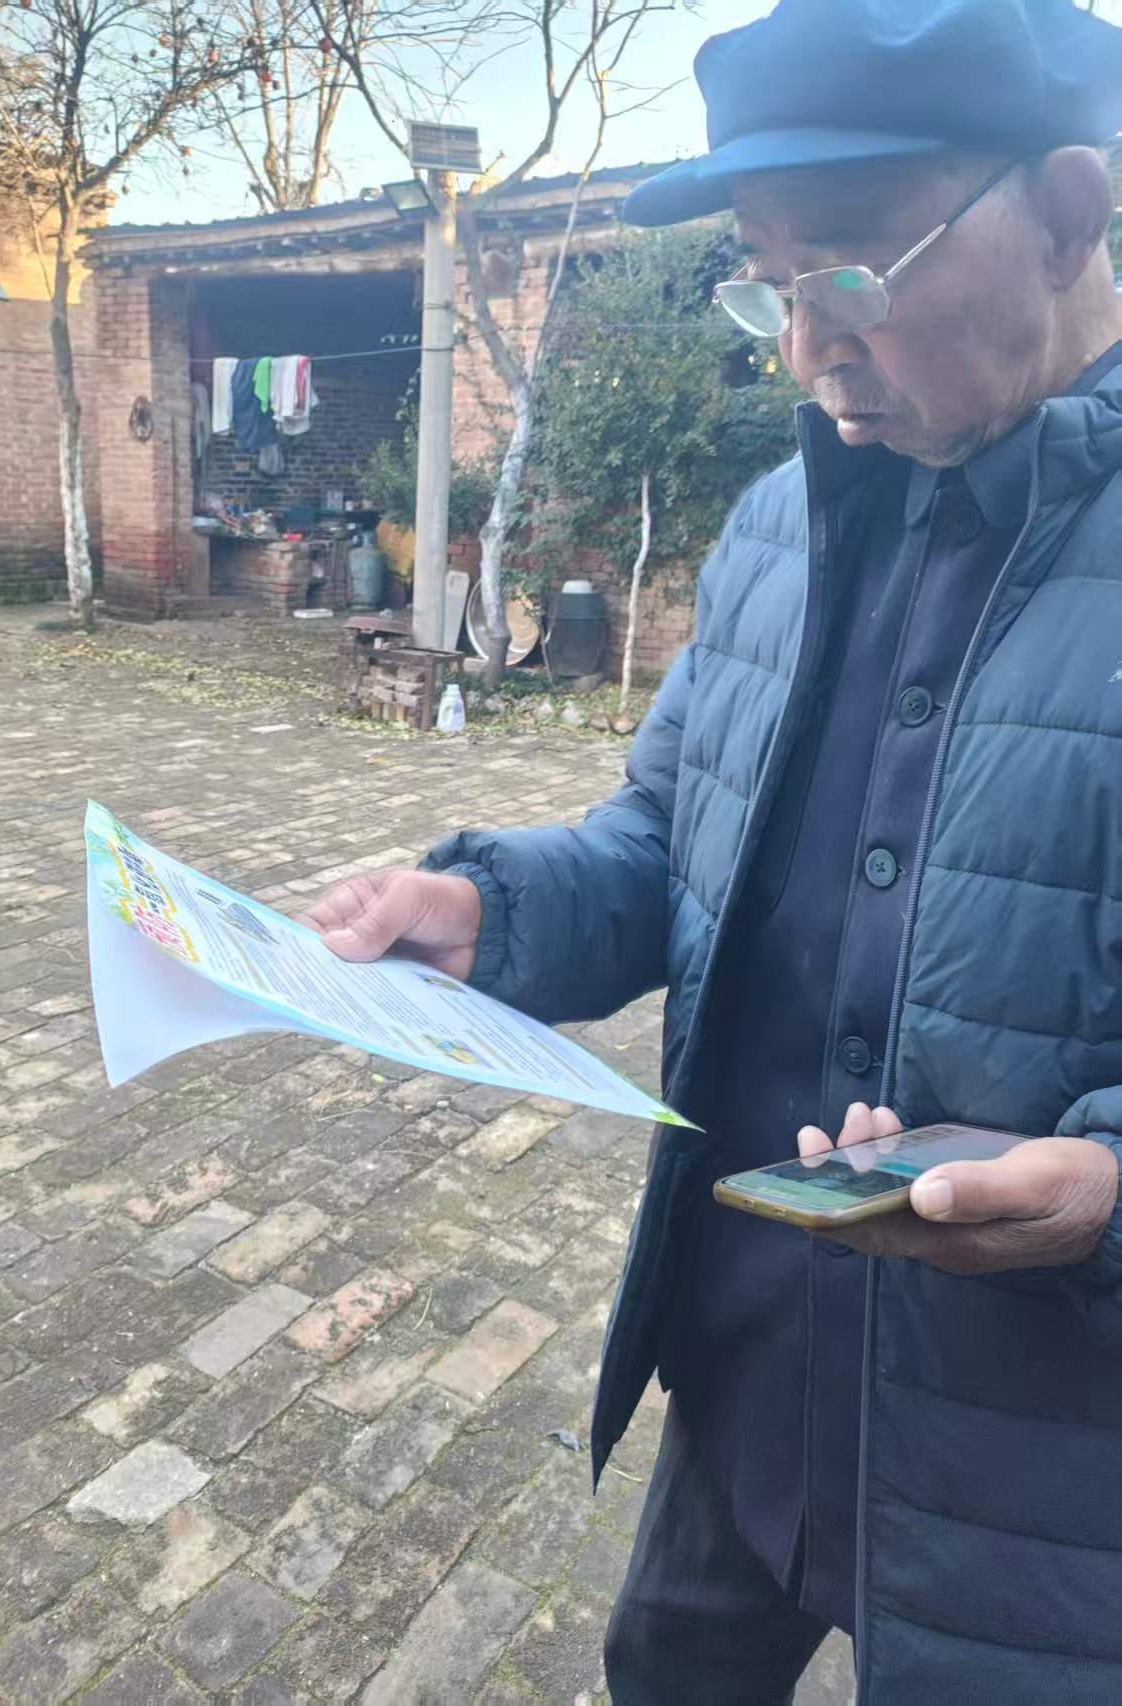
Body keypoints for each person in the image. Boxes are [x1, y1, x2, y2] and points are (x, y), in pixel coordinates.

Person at [304, 1, 1122, 1698]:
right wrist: (486, 906)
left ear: (1065, 215)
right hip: (747, 1373)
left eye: (855, 275)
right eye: (767, 287)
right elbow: (666, 840)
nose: (810, 349)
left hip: (1036, 1493)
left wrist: (1108, 1193)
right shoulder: (774, 529)